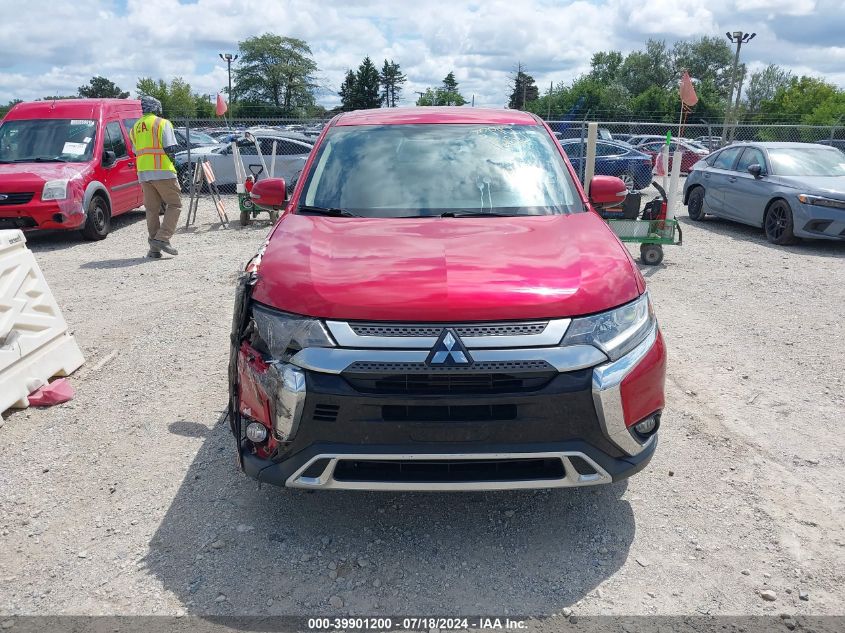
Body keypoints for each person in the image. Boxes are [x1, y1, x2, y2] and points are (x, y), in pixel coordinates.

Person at [129, 96, 182, 258]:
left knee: (152, 210)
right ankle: (163, 238)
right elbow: (170, 148)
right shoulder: (162, 123)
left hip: (144, 173)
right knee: (175, 204)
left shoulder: (135, 127)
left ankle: (154, 249)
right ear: (156, 108)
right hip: (163, 170)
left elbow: (134, 150)